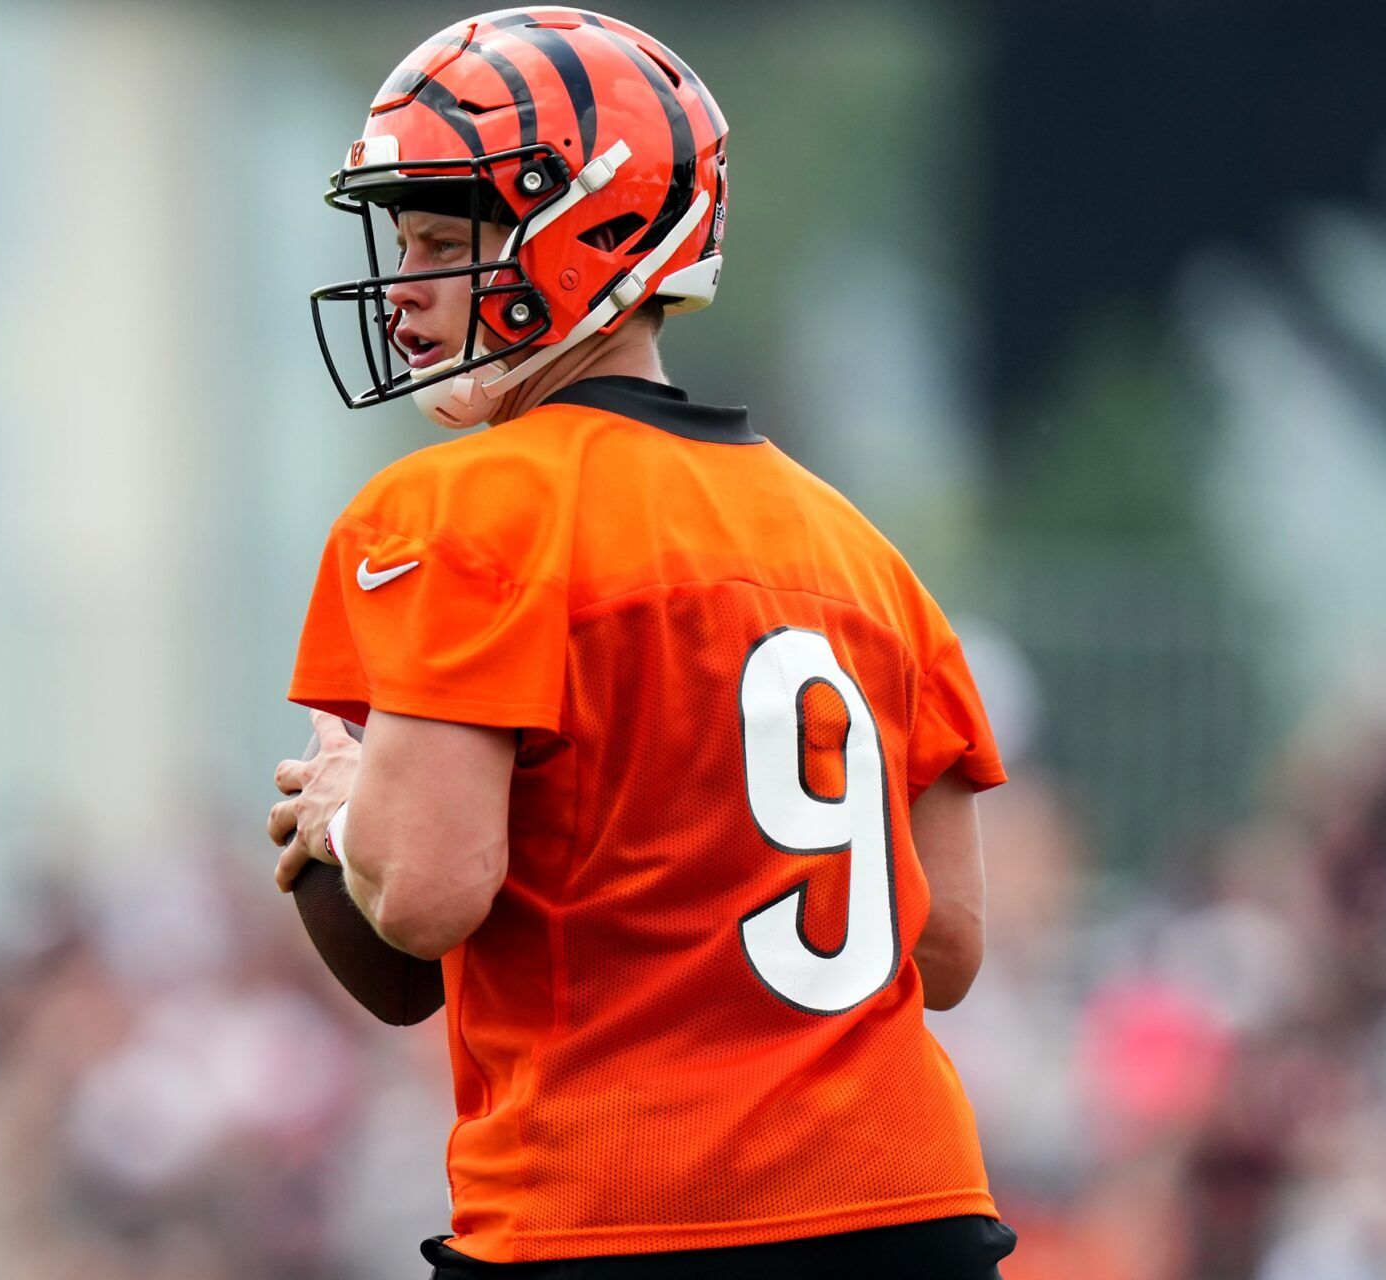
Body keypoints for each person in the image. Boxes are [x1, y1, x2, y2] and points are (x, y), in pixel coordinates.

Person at [267, 10, 1017, 1278]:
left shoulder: (459, 506)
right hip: (912, 1212)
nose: (406, 291)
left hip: (616, 1215)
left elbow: (428, 892)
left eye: (446, 240)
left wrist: (347, 815)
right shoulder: (860, 549)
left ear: (593, 231)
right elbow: (941, 947)